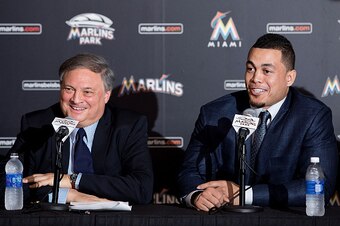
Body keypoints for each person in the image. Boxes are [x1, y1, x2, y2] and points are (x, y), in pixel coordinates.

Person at [177, 34, 338, 211]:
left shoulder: (313, 116)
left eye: (266, 71)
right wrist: (198, 196)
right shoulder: (215, 113)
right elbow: (189, 171)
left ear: (289, 78)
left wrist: (244, 195)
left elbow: (320, 187)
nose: (255, 79)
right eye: (250, 69)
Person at [0, 53, 153, 206]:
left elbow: (141, 188)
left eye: (87, 92)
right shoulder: (38, 124)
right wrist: (66, 195)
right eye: (69, 89)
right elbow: (5, 182)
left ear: (106, 95)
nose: (76, 99)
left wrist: (71, 180)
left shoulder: (127, 126)